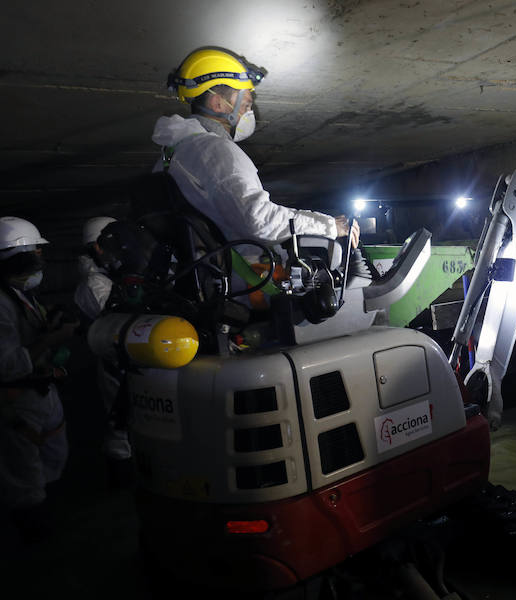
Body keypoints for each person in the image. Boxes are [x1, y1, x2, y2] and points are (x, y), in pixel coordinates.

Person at [153, 47, 359, 255]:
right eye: (245, 105)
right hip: (240, 279)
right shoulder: (217, 151)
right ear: (218, 103)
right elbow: (258, 220)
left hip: (207, 272)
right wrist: (329, 226)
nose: (249, 112)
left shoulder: (174, 151)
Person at [0, 217, 76, 542]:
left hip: (40, 392)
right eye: (36, 255)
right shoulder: (2, 303)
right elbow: (7, 364)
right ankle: (35, 536)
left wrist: (50, 326)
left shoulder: (18, 294)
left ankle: (48, 516)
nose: (41, 262)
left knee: (52, 457)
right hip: (16, 400)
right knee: (25, 477)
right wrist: (53, 339)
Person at [73, 217, 132, 487]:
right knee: (120, 427)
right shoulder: (94, 284)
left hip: (127, 359)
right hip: (114, 362)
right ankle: (120, 480)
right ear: (99, 247)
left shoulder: (108, 276)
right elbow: (116, 324)